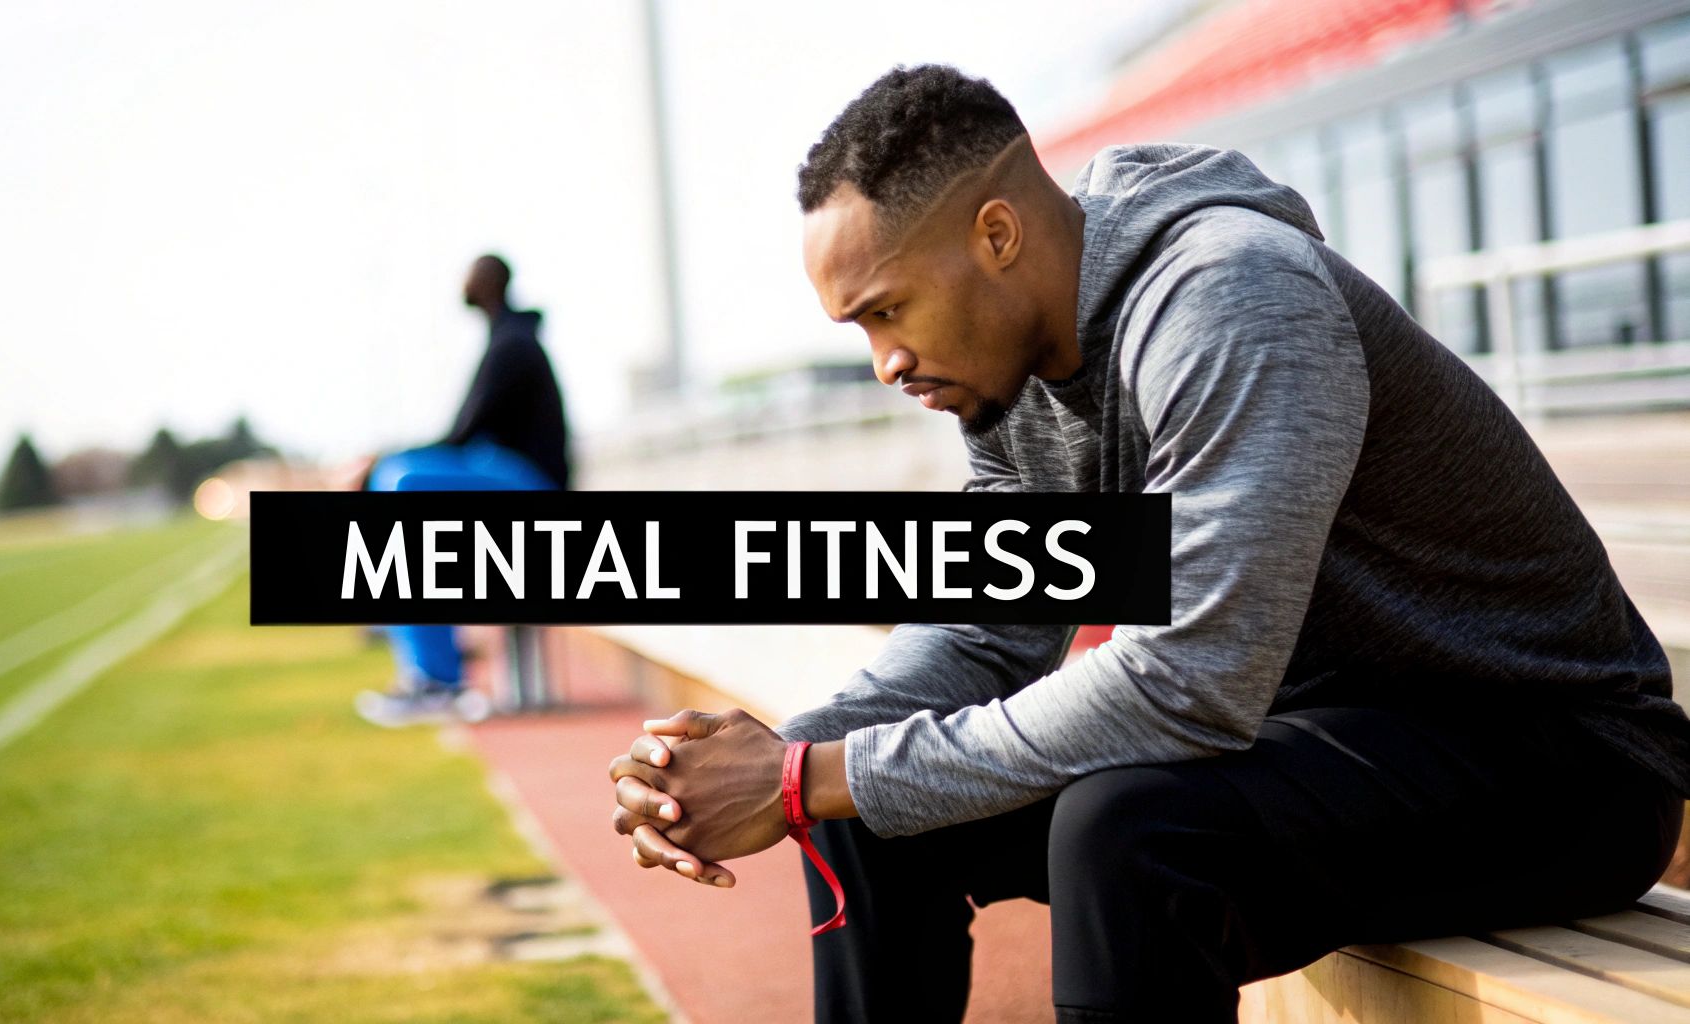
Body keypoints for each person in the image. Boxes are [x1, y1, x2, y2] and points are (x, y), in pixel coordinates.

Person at [605, 65, 1690, 1022]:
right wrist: (755, 763)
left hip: (1552, 756)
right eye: (860, 331)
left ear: (995, 235)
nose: (884, 361)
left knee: (1123, 827)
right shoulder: (1004, 378)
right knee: (864, 813)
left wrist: (803, 774)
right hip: (1319, 739)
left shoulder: (1231, 293)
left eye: (888, 311)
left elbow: (1189, 678)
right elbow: (987, 630)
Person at [354, 253, 570, 728]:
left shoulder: (513, 344)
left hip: (535, 490)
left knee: (403, 483)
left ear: (492, 282)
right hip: (508, 479)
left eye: (471, 274)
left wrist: (383, 459)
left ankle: (437, 678)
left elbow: (461, 434)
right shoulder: (505, 338)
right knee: (394, 477)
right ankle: (421, 650)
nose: (463, 283)